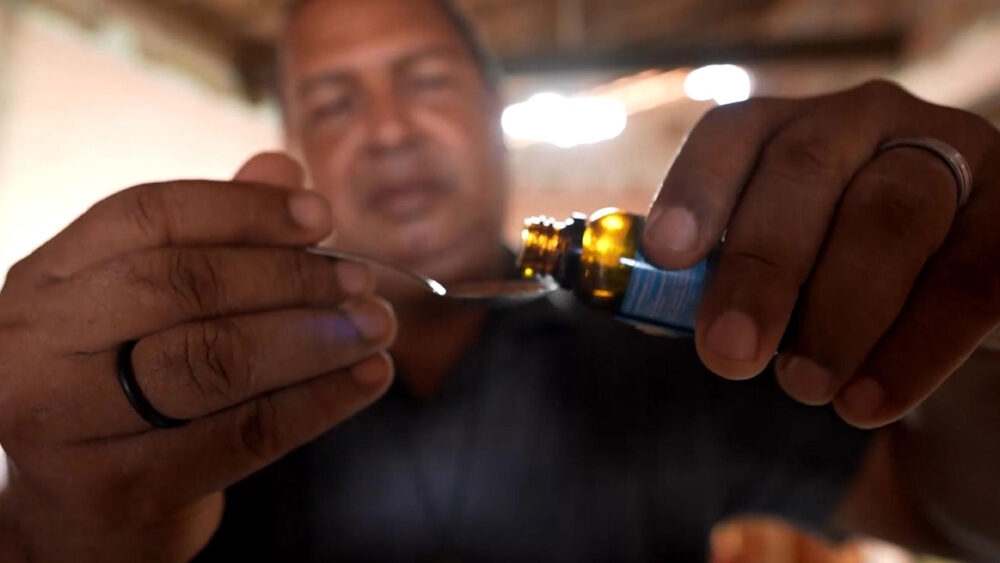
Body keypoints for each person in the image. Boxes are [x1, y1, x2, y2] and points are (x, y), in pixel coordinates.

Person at [1, 0, 999, 560]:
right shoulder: (216, 386)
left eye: (425, 81)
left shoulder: (665, 350)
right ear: (292, 140)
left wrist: (969, 327)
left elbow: (958, 517)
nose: (389, 130)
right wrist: (62, 525)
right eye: (335, 101)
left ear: (492, 106)